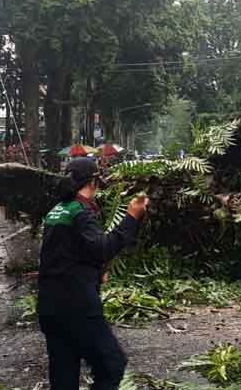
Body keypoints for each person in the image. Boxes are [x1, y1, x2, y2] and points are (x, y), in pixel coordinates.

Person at [37, 157, 149, 390]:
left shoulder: (56, 211)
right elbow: (102, 249)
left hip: (50, 307)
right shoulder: (81, 212)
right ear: (94, 182)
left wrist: (95, 272)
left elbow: (66, 254)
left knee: (63, 377)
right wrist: (131, 217)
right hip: (77, 308)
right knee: (112, 365)